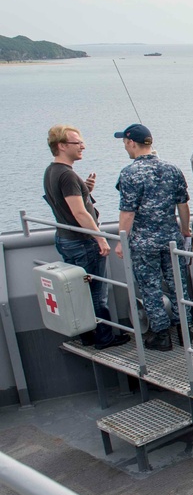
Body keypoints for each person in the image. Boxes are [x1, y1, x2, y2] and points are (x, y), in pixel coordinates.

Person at [43, 125, 129, 349]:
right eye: (77, 143)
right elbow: (79, 212)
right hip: (82, 242)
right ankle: (104, 338)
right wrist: (99, 238)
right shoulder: (67, 175)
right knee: (96, 292)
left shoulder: (51, 171)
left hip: (66, 238)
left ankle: (87, 336)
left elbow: (64, 204)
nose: (83, 146)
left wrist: (86, 190)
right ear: (62, 146)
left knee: (78, 292)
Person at [113, 123, 192, 352]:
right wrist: (185, 230)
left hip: (144, 242)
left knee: (151, 287)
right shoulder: (172, 169)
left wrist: (121, 241)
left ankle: (161, 335)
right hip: (171, 239)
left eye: (125, 143)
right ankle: (185, 331)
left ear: (131, 142)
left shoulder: (129, 173)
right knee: (179, 284)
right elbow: (183, 204)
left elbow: (128, 212)